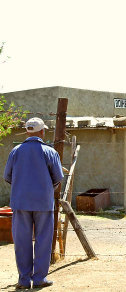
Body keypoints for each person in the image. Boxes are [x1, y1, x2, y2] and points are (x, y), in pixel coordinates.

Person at [3, 117, 64, 289]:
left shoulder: (15, 151)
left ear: (27, 132)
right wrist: (45, 188)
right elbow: (58, 178)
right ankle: (39, 279)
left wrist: (21, 187)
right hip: (43, 203)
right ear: (43, 132)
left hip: (20, 202)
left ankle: (23, 280)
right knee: (43, 240)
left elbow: (7, 176)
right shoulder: (49, 151)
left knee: (22, 241)